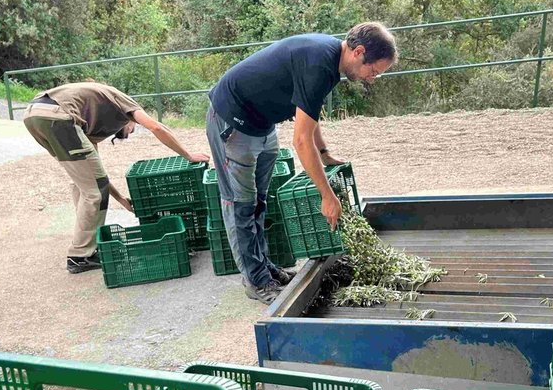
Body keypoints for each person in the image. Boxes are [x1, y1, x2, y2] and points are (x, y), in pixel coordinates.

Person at [207, 22, 397, 304]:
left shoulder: (332, 62)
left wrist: (324, 152)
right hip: (233, 121)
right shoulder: (320, 62)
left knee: (259, 201)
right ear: (359, 52)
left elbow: (308, 113)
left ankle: (264, 268)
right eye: (374, 71)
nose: (372, 78)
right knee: (241, 204)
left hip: (262, 123)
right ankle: (256, 282)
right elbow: (300, 141)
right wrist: (327, 196)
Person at [24, 81, 209, 274]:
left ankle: (83, 246)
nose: (131, 132)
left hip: (35, 115)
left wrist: (121, 199)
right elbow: (157, 128)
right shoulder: (126, 103)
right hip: (58, 117)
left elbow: (98, 177)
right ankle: (79, 256)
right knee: (93, 193)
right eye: (132, 128)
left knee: (84, 184)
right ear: (130, 119)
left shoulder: (91, 118)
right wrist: (188, 155)